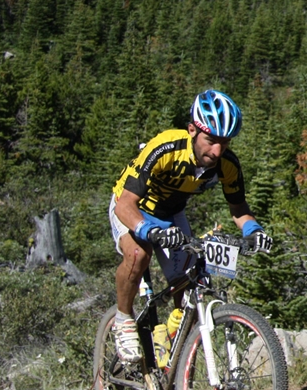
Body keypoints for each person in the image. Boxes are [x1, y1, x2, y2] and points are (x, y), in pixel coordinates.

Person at [108, 89, 272, 369]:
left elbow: (239, 209)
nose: (217, 151)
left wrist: (254, 231)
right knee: (138, 254)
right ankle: (123, 320)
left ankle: (179, 378)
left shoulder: (227, 164)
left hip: (171, 214)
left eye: (224, 142)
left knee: (193, 288)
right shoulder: (165, 149)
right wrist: (149, 231)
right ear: (192, 130)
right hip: (133, 207)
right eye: (210, 141)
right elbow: (125, 204)